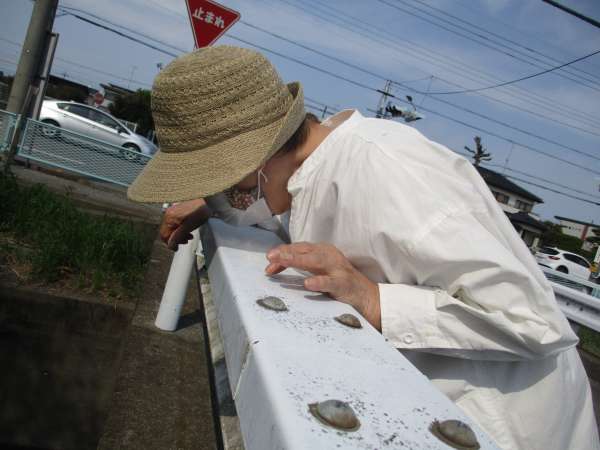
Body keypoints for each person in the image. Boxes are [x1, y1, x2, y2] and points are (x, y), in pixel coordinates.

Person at [128, 46, 599, 450]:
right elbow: (271, 216)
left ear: (257, 159)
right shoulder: (308, 175)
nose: (228, 192)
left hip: (511, 426)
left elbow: (536, 321)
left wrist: (374, 299)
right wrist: (213, 204)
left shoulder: (389, 171)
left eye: (224, 179)